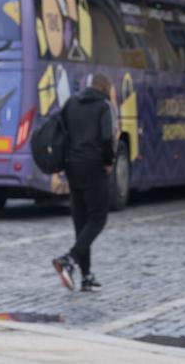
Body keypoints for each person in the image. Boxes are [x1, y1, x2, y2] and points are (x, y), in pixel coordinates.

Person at [52, 73, 115, 292]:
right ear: (105, 87)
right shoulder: (103, 107)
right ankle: (68, 259)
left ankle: (86, 276)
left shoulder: (71, 104)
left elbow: (61, 131)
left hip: (72, 167)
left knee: (81, 221)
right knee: (97, 218)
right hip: (94, 167)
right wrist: (108, 162)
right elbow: (107, 138)